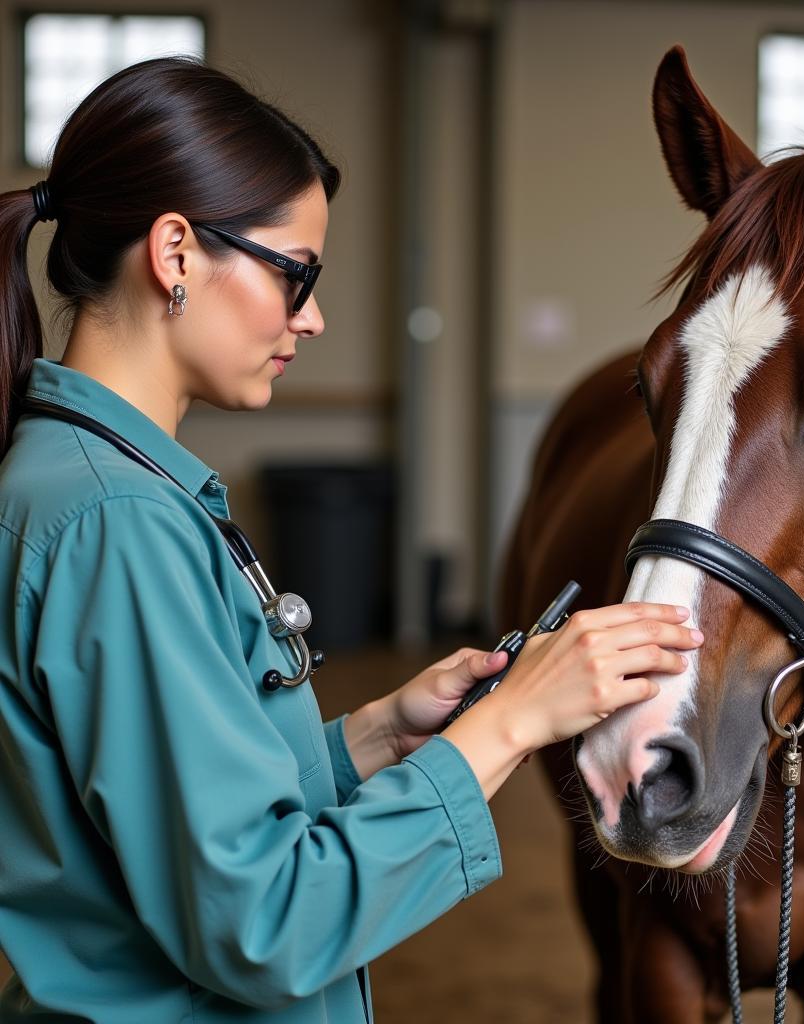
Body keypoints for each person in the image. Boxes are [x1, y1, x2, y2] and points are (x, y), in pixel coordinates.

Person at [0, 57, 703, 1023]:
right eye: (296, 275)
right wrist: (511, 727)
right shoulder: (115, 524)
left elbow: (168, 816)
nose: (314, 316)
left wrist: (379, 737)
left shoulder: (80, 481)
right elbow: (264, 921)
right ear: (174, 255)